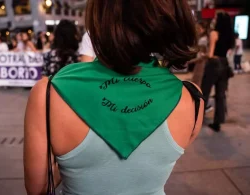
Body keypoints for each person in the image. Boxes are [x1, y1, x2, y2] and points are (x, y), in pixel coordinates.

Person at [24, 1, 204, 195]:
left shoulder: (48, 92)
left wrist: (73, 163)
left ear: (98, 20)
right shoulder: (192, 99)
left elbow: (37, 188)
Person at [201, 12, 235, 132]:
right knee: (220, 95)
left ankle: (198, 119)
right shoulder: (230, 35)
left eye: (216, 18)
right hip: (224, 64)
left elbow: (210, 54)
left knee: (204, 92)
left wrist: (204, 56)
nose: (214, 20)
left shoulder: (214, 33)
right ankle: (217, 122)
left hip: (214, 64)